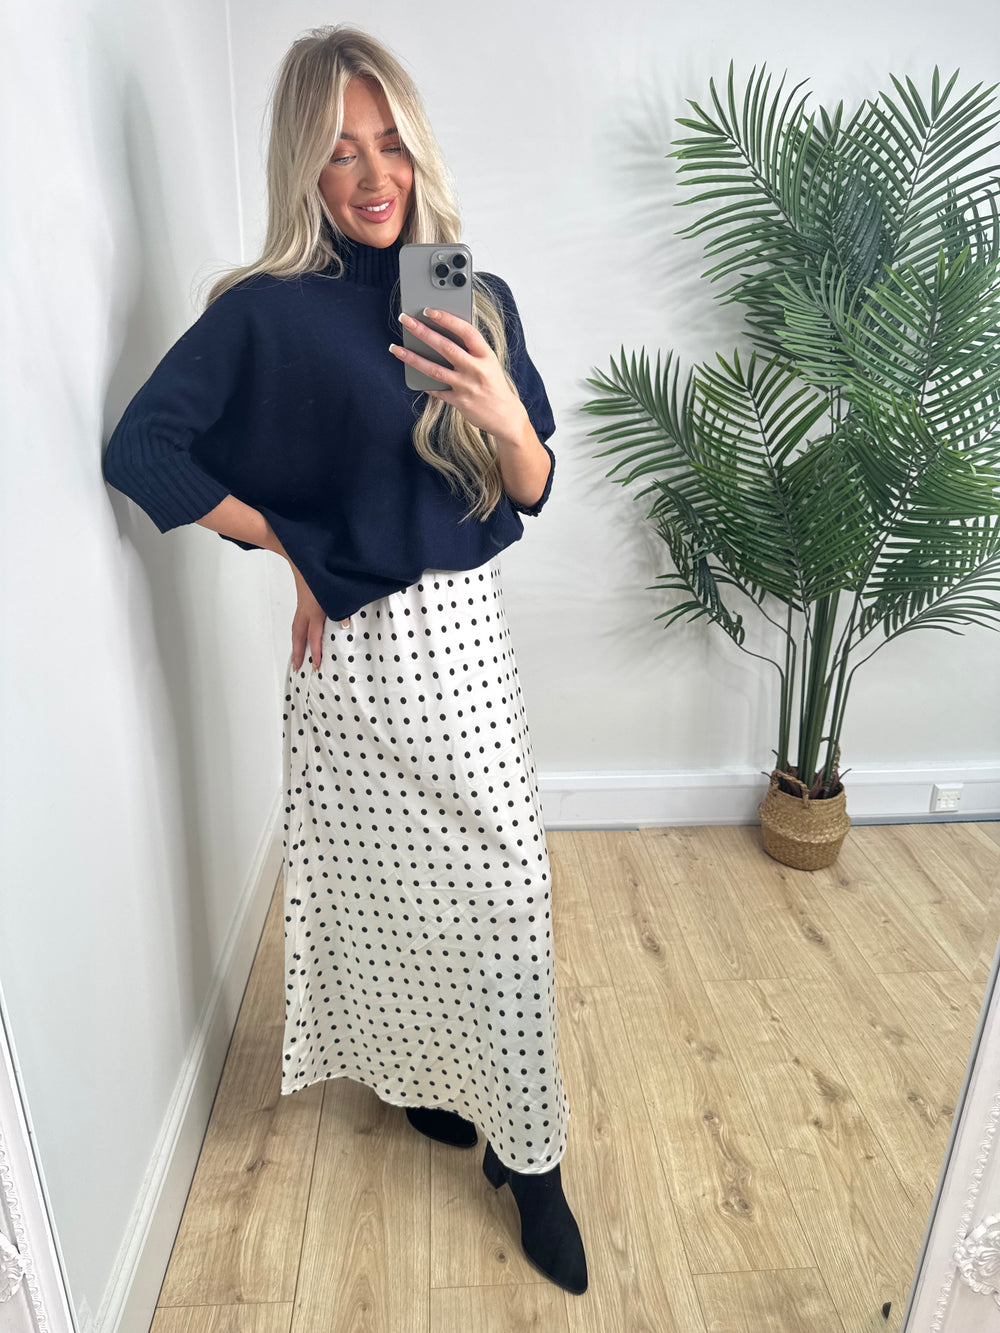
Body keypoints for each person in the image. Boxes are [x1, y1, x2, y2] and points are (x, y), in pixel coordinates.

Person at [102, 24, 587, 1296]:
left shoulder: (470, 295)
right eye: (338, 152)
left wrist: (502, 413)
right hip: (351, 665)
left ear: (417, 150)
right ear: (301, 170)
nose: (373, 175)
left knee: (510, 891)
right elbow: (143, 451)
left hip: (463, 647)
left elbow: (530, 488)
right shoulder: (262, 313)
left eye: (389, 144)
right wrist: (294, 546)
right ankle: (421, 1077)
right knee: (380, 895)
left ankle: (530, 1159)